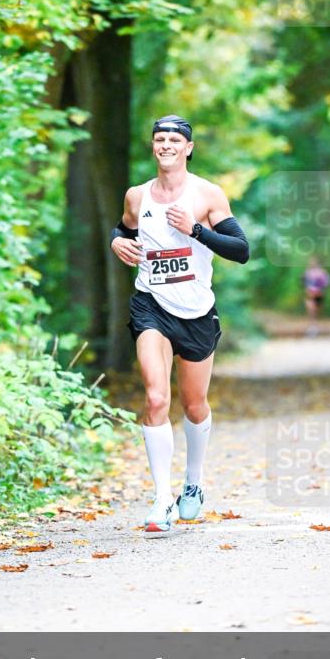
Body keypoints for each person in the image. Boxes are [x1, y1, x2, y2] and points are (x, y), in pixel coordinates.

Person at [110, 115, 249, 536]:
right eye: (159, 139)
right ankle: (160, 499)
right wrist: (116, 240)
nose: (166, 145)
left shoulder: (207, 195)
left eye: (174, 139)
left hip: (196, 311)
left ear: (188, 147)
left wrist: (196, 232)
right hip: (150, 304)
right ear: (153, 147)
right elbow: (123, 228)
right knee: (155, 398)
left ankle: (194, 481)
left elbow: (241, 250)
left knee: (193, 404)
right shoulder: (137, 196)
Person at [302, 256, 330, 335]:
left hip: (318, 294)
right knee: (311, 309)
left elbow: (326, 283)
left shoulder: (322, 273)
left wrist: (321, 290)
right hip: (310, 294)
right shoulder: (307, 273)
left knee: (316, 311)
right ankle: (312, 327)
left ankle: (315, 326)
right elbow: (304, 283)